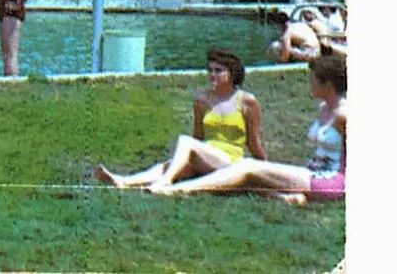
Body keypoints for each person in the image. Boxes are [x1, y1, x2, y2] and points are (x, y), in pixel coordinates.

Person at [148, 54, 345, 204]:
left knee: (247, 167)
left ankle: (177, 190)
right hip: (312, 172)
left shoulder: (346, 115)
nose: (309, 84)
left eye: (313, 80)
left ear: (327, 84)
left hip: (331, 181)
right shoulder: (324, 108)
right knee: (249, 173)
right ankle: (287, 196)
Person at [94, 47, 268, 190]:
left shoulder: (247, 101)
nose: (212, 75)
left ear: (232, 73)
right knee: (168, 164)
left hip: (229, 162)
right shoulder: (202, 99)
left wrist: (267, 171)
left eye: (218, 71)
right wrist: (183, 161)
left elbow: (253, 143)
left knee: (185, 142)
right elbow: (198, 136)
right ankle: (123, 181)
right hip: (206, 156)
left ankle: (165, 181)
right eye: (209, 70)